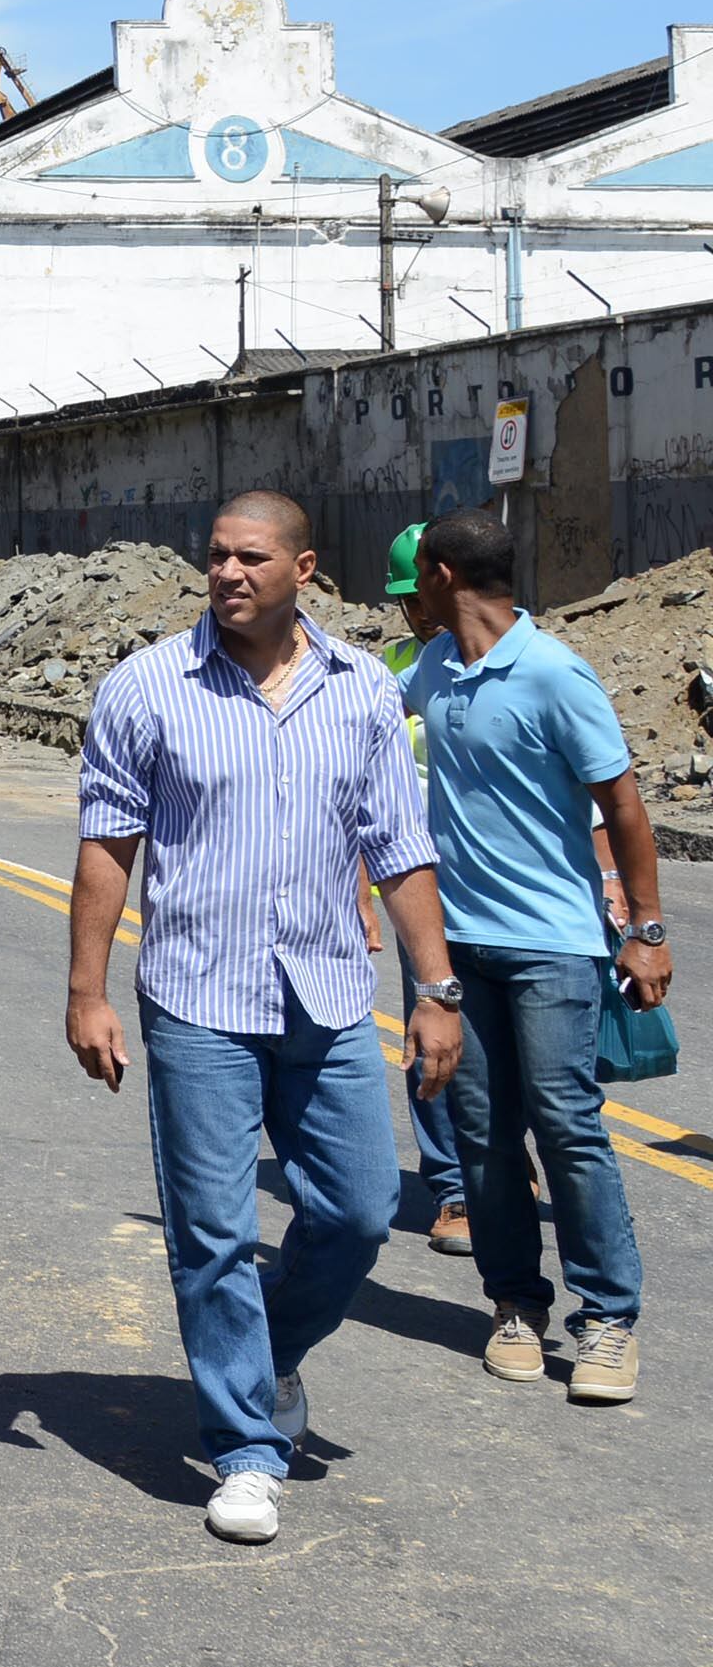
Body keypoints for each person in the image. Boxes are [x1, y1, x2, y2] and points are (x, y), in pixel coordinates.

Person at [74, 492, 461, 1548]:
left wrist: (434, 991)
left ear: (304, 568)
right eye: (214, 557)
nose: (228, 573)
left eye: (251, 557)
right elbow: (109, 846)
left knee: (358, 1208)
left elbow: (400, 850)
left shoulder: (360, 694)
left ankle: (268, 1351)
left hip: (327, 994)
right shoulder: (147, 687)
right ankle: (246, 1449)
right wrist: (86, 991)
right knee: (212, 1236)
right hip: (197, 997)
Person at [405, 506, 674, 1403]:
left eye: (417, 582)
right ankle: (516, 1303)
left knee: (566, 1124)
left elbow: (624, 805)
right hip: (460, 948)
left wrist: (644, 929)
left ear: (443, 574)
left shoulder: (557, 673)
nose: (408, 599)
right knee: (482, 1135)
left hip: (552, 946)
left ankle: (608, 1321)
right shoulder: (433, 669)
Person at [374, 521, 470, 1255]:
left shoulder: (499, 658)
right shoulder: (395, 671)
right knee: (429, 1025)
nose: (423, 611)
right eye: (410, 600)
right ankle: (453, 1189)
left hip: (502, 882)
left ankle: (504, 1155)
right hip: (419, 881)